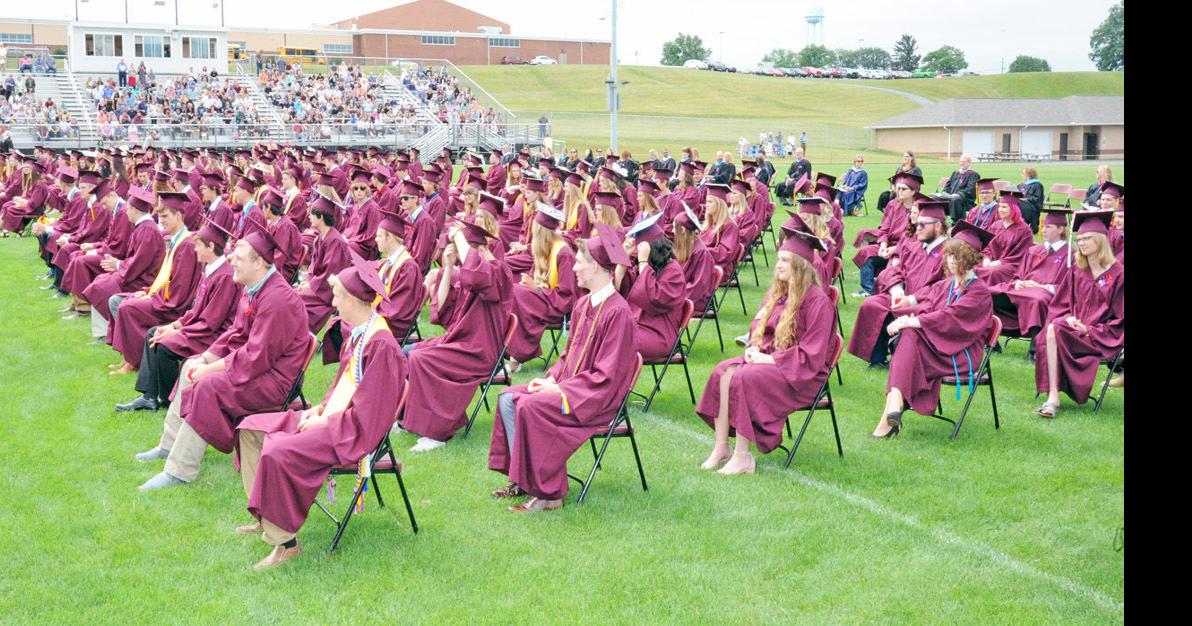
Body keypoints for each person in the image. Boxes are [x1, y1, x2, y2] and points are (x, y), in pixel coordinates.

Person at [234, 257, 407, 570]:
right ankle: (267, 517)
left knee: (277, 450)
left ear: (352, 300)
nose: (333, 302)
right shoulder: (360, 332)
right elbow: (343, 385)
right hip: (333, 417)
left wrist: (324, 421)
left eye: (337, 296)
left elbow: (369, 416)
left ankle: (286, 544)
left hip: (351, 433)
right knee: (250, 428)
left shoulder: (381, 345)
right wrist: (320, 408)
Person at [136, 228, 310, 491]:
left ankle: (180, 470)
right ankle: (168, 445)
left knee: (208, 386)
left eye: (239, 257)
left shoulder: (278, 300)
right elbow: (237, 333)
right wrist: (206, 358)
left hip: (272, 380)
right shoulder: (254, 287)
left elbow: (255, 357)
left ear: (259, 262)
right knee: (190, 367)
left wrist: (211, 370)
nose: (231, 261)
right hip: (257, 368)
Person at [488, 225, 638, 511]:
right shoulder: (583, 304)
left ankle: (549, 495)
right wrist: (552, 379)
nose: (575, 268)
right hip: (569, 387)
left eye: (579, 262)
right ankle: (524, 479)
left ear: (595, 267)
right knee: (508, 399)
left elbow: (606, 377)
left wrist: (558, 388)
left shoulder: (619, 313)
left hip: (595, 399)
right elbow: (567, 356)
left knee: (531, 407)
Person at [696, 229, 835, 473]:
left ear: (800, 266)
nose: (777, 265)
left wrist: (768, 359)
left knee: (744, 376)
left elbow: (812, 354)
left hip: (802, 375)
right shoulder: (778, 294)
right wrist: (754, 347)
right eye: (778, 259)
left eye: (784, 260)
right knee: (723, 371)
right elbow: (758, 325)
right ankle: (721, 447)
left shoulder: (818, 302)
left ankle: (743, 457)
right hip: (771, 361)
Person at [871, 220, 994, 438]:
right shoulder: (948, 284)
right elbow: (927, 304)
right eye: (949, 255)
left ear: (972, 258)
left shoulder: (979, 292)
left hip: (961, 352)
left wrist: (909, 321)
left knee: (909, 338)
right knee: (909, 337)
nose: (951, 261)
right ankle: (894, 405)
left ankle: (893, 406)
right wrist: (906, 314)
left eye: (958, 256)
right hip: (937, 347)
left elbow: (950, 317)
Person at [400, 221, 513, 452]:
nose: (464, 263)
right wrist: (449, 267)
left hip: (479, 351)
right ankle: (408, 419)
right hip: (460, 341)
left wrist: (459, 238)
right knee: (408, 352)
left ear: (479, 251)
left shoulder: (499, 272)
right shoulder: (476, 272)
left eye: (465, 255)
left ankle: (436, 432)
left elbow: (475, 276)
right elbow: (441, 310)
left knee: (422, 359)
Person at [1033, 211, 1123, 418]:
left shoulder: (1119, 275)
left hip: (1100, 336)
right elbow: (1060, 304)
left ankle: (1052, 399)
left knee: (1054, 331)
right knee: (1053, 329)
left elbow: (1121, 319)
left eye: (1087, 238)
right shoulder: (1077, 270)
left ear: (1100, 240)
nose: (1081, 243)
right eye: (1080, 239)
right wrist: (1068, 318)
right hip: (1072, 329)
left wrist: (1089, 329)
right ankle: (1053, 396)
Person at [107, 193, 203, 376]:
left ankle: (134, 362)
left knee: (127, 308)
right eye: (160, 216)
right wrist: (147, 291)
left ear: (179, 216)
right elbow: (166, 277)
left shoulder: (187, 246)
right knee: (118, 301)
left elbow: (179, 289)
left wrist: (153, 296)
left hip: (173, 305)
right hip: (164, 296)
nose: (162, 221)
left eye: (166, 216)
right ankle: (130, 357)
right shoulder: (176, 241)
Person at [847, 201, 949, 368]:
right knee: (872, 304)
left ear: (938, 227)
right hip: (904, 297)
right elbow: (896, 270)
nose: (917, 227)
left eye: (922, 224)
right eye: (917, 223)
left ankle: (904, 358)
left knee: (891, 309)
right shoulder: (917, 248)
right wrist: (897, 291)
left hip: (928, 305)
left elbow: (943, 287)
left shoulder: (948, 254)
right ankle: (877, 359)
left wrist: (912, 299)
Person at [80, 187, 164, 343]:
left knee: (102, 286)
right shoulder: (142, 227)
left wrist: (118, 265)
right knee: (101, 280)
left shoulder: (147, 230)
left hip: (144, 280)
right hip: (135, 274)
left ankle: (111, 332)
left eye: (129, 209)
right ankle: (104, 331)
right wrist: (118, 265)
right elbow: (135, 259)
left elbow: (139, 263)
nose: (126, 212)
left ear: (135, 210)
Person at [989, 209, 1073, 362]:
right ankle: (991, 342)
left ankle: (1035, 351)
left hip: (1046, 295)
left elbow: (1068, 287)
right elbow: (1018, 275)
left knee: (1037, 299)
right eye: (1043, 226)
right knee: (988, 295)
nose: (1043, 230)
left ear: (1061, 229)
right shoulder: (1034, 250)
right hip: (1023, 291)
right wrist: (1018, 282)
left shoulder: (1070, 255)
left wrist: (1042, 286)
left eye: (1049, 227)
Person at [506, 203, 577, 370]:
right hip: (544, 300)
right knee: (512, 291)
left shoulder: (563, 253)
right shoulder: (545, 249)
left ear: (543, 233)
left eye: (536, 232)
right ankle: (509, 351)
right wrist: (530, 284)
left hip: (558, 308)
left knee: (518, 293)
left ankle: (516, 358)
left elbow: (567, 298)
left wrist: (536, 288)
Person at [619, 214, 687, 361]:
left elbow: (653, 299)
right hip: (636, 327)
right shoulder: (650, 267)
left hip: (658, 334)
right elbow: (618, 290)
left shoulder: (673, 271)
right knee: (603, 336)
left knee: (613, 343)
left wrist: (643, 262)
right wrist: (623, 259)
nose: (637, 255)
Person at [851, 173, 922, 296]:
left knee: (892, 267)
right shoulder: (893, 205)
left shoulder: (919, 210)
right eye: (898, 188)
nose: (899, 191)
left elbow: (917, 239)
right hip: (888, 244)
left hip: (907, 250)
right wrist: (883, 244)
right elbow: (884, 228)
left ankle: (889, 293)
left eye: (903, 189)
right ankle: (869, 289)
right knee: (866, 252)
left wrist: (896, 249)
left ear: (913, 191)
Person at [297, 193, 353, 335]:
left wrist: (311, 284)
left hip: (327, 291)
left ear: (320, 217)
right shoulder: (320, 238)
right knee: (292, 294)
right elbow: (313, 267)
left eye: (311, 214)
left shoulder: (335, 241)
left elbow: (331, 272)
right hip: (318, 286)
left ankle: (299, 336)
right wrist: (308, 281)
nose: (308, 216)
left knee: (295, 299)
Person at [974, 191, 1035, 286]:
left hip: (1012, 265)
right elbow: (987, 247)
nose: (1000, 210)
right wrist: (986, 259)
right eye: (999, 207)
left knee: (993, 272)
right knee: (972, 268)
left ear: (1014, 209)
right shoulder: (995, 225)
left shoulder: (1024, 230)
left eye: (1004, 207)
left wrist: (999, 262)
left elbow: (1021, 255)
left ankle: (990, 296)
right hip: (991, 262)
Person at [933, 154, 980, 222]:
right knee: (934, 198)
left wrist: (958, 194)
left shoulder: (974, 174)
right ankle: (938, 220)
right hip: (950, 197)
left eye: (964, 161)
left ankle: (956, 222)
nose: (961, 163)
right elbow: (948, 186)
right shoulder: (955, 173)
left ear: (969, 162)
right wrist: (944, 193)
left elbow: (970, 189)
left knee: (955, 199)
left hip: (965, 200)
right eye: (960, 161)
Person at [1018, 167, 1044, 233]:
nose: (1022, 175)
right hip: (1023, 204)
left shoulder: (1037, 185)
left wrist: (1026, 199)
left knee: (1021, 206)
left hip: (1033, 206)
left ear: (1029, 175)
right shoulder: (1022, 185)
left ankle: (1022, 226)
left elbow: (1037, 198)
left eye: (1023, 173)